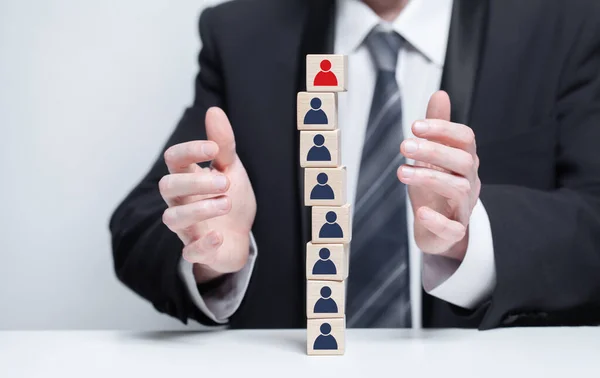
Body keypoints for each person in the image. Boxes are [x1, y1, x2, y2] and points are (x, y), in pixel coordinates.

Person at [110, 0, 600, 329]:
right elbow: (137, 227)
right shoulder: (242, 34)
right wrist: (207, 248)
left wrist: (475, 237)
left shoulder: (568, 22)